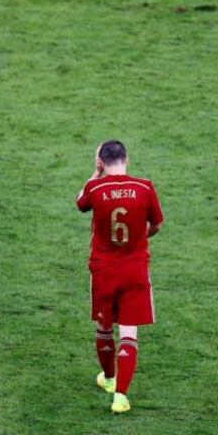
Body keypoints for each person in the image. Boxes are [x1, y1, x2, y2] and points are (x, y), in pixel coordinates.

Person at [75, 140, 164, 413]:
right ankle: (121, 397)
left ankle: (110, 379)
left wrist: (95, 173)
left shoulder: (95, 187)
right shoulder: (145, 187)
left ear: (101, 162)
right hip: (134, 270)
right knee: (129, 333)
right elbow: (157, 224)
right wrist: (139, 237)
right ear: (128, 158)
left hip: (103, 270)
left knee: (104, 327)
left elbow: (79, 203)